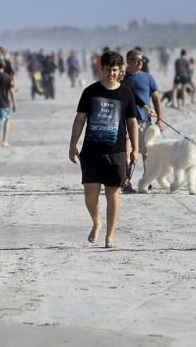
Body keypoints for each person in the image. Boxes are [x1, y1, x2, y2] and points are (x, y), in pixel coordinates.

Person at [69, 51, 139, 249]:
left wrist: (134, 149)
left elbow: (132, 122)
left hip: (116, 152)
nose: (111, 74)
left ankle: (110, 235)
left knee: (113, 193)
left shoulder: (126, 93)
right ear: (102, 69)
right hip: (91, 151)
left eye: (115, 70)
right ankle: (97, 222)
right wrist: (73, 144)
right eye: (108, 70)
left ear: (119, 71)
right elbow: (80, 119)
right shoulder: (90, 92)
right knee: (90, 195)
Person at [122, 48, 164, 177]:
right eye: (135, 60)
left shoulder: (148, 77)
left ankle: (147, 179)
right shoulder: (122, 78)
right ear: (128, 61)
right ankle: (126, 180)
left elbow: (156, 99)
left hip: (145, 120)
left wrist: (160, 119)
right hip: (125, 120)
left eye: (141, 60)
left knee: (147, 152)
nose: (139, 62)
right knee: (127, 152)